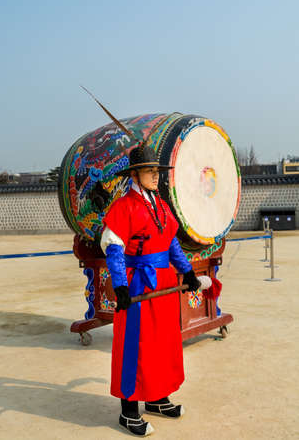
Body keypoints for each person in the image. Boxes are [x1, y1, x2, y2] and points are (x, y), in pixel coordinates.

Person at [100, 143, 201, 436]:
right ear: (135, 175)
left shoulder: (160, 205)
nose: (156, 176)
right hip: (138, 285)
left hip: (164, 285)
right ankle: (129, 411)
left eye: (157, 171)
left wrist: (187, 271)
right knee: (136, 345)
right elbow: (114, 249)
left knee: (162, 343)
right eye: (149, 171)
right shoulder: (124, 206)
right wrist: (119, 286)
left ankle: (157, 398)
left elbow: (171, 242)